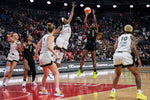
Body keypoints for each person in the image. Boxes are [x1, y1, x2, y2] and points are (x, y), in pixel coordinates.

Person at [109, 25, 147, 100]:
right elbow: (134, 48)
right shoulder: (132, 37)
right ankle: (139, 93)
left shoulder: (119, 37)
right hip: (125, 54)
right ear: (131, 30)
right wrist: (138, 59)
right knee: (136, 74)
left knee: (117, 74)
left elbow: (115, 47)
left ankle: (112, 92)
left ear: (124, 30)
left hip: (117, 54)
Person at [34, 23, 64, 96]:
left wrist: (36, 54)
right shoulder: (51, 37)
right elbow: (49, 47)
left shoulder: (44, 36)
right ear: (54, 30)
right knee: (56, 72)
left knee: (46, 74)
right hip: (47, 56)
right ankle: (57, 90)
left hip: (41, 56)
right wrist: (56, 54)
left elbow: (38, 45)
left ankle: (42, 89)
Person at [77, 9, 99, 79]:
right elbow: (84, 22)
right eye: (92, 24)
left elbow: (95, 21)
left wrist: (93, 14)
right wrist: (86, 15)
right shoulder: (88, 28)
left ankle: (95, 71)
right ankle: (80, 69)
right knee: (83, 57)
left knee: (93, 58)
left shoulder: (96, 29)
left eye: (93, 24)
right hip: (88, 43)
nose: (92, 24)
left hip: (93, 44)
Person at [54, 2, 76, 68]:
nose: (67, 19)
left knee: (60, 57)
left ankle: (55, 71)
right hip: (61, 39)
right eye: (65, 19)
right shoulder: (61, 27)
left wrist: (73, 7)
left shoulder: (68, 24)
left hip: (66, 41)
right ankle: (49, 69)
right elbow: (55, 33)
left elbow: (71, 15)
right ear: (63, 21)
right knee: (56, 54)